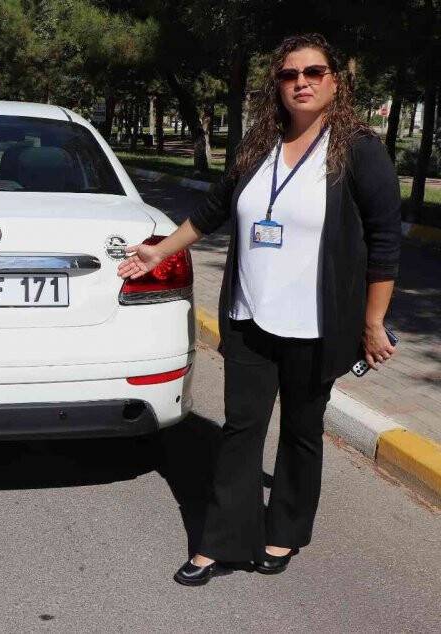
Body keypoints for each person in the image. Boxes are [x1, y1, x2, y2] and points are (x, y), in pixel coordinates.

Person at [117, 33, 401, 586]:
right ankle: (218, 543)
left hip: (317, 324)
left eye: (314, 72)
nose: (301, 83)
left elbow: (385, 241)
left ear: (335, 82)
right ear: (277, 85)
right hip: (250, 318)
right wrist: (158, 251)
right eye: (289, 74)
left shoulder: (359, 150)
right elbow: (212, 210)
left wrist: (372, 322)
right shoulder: (258, 145)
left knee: (301, 430)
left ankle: (285, 530)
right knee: (241, 430)